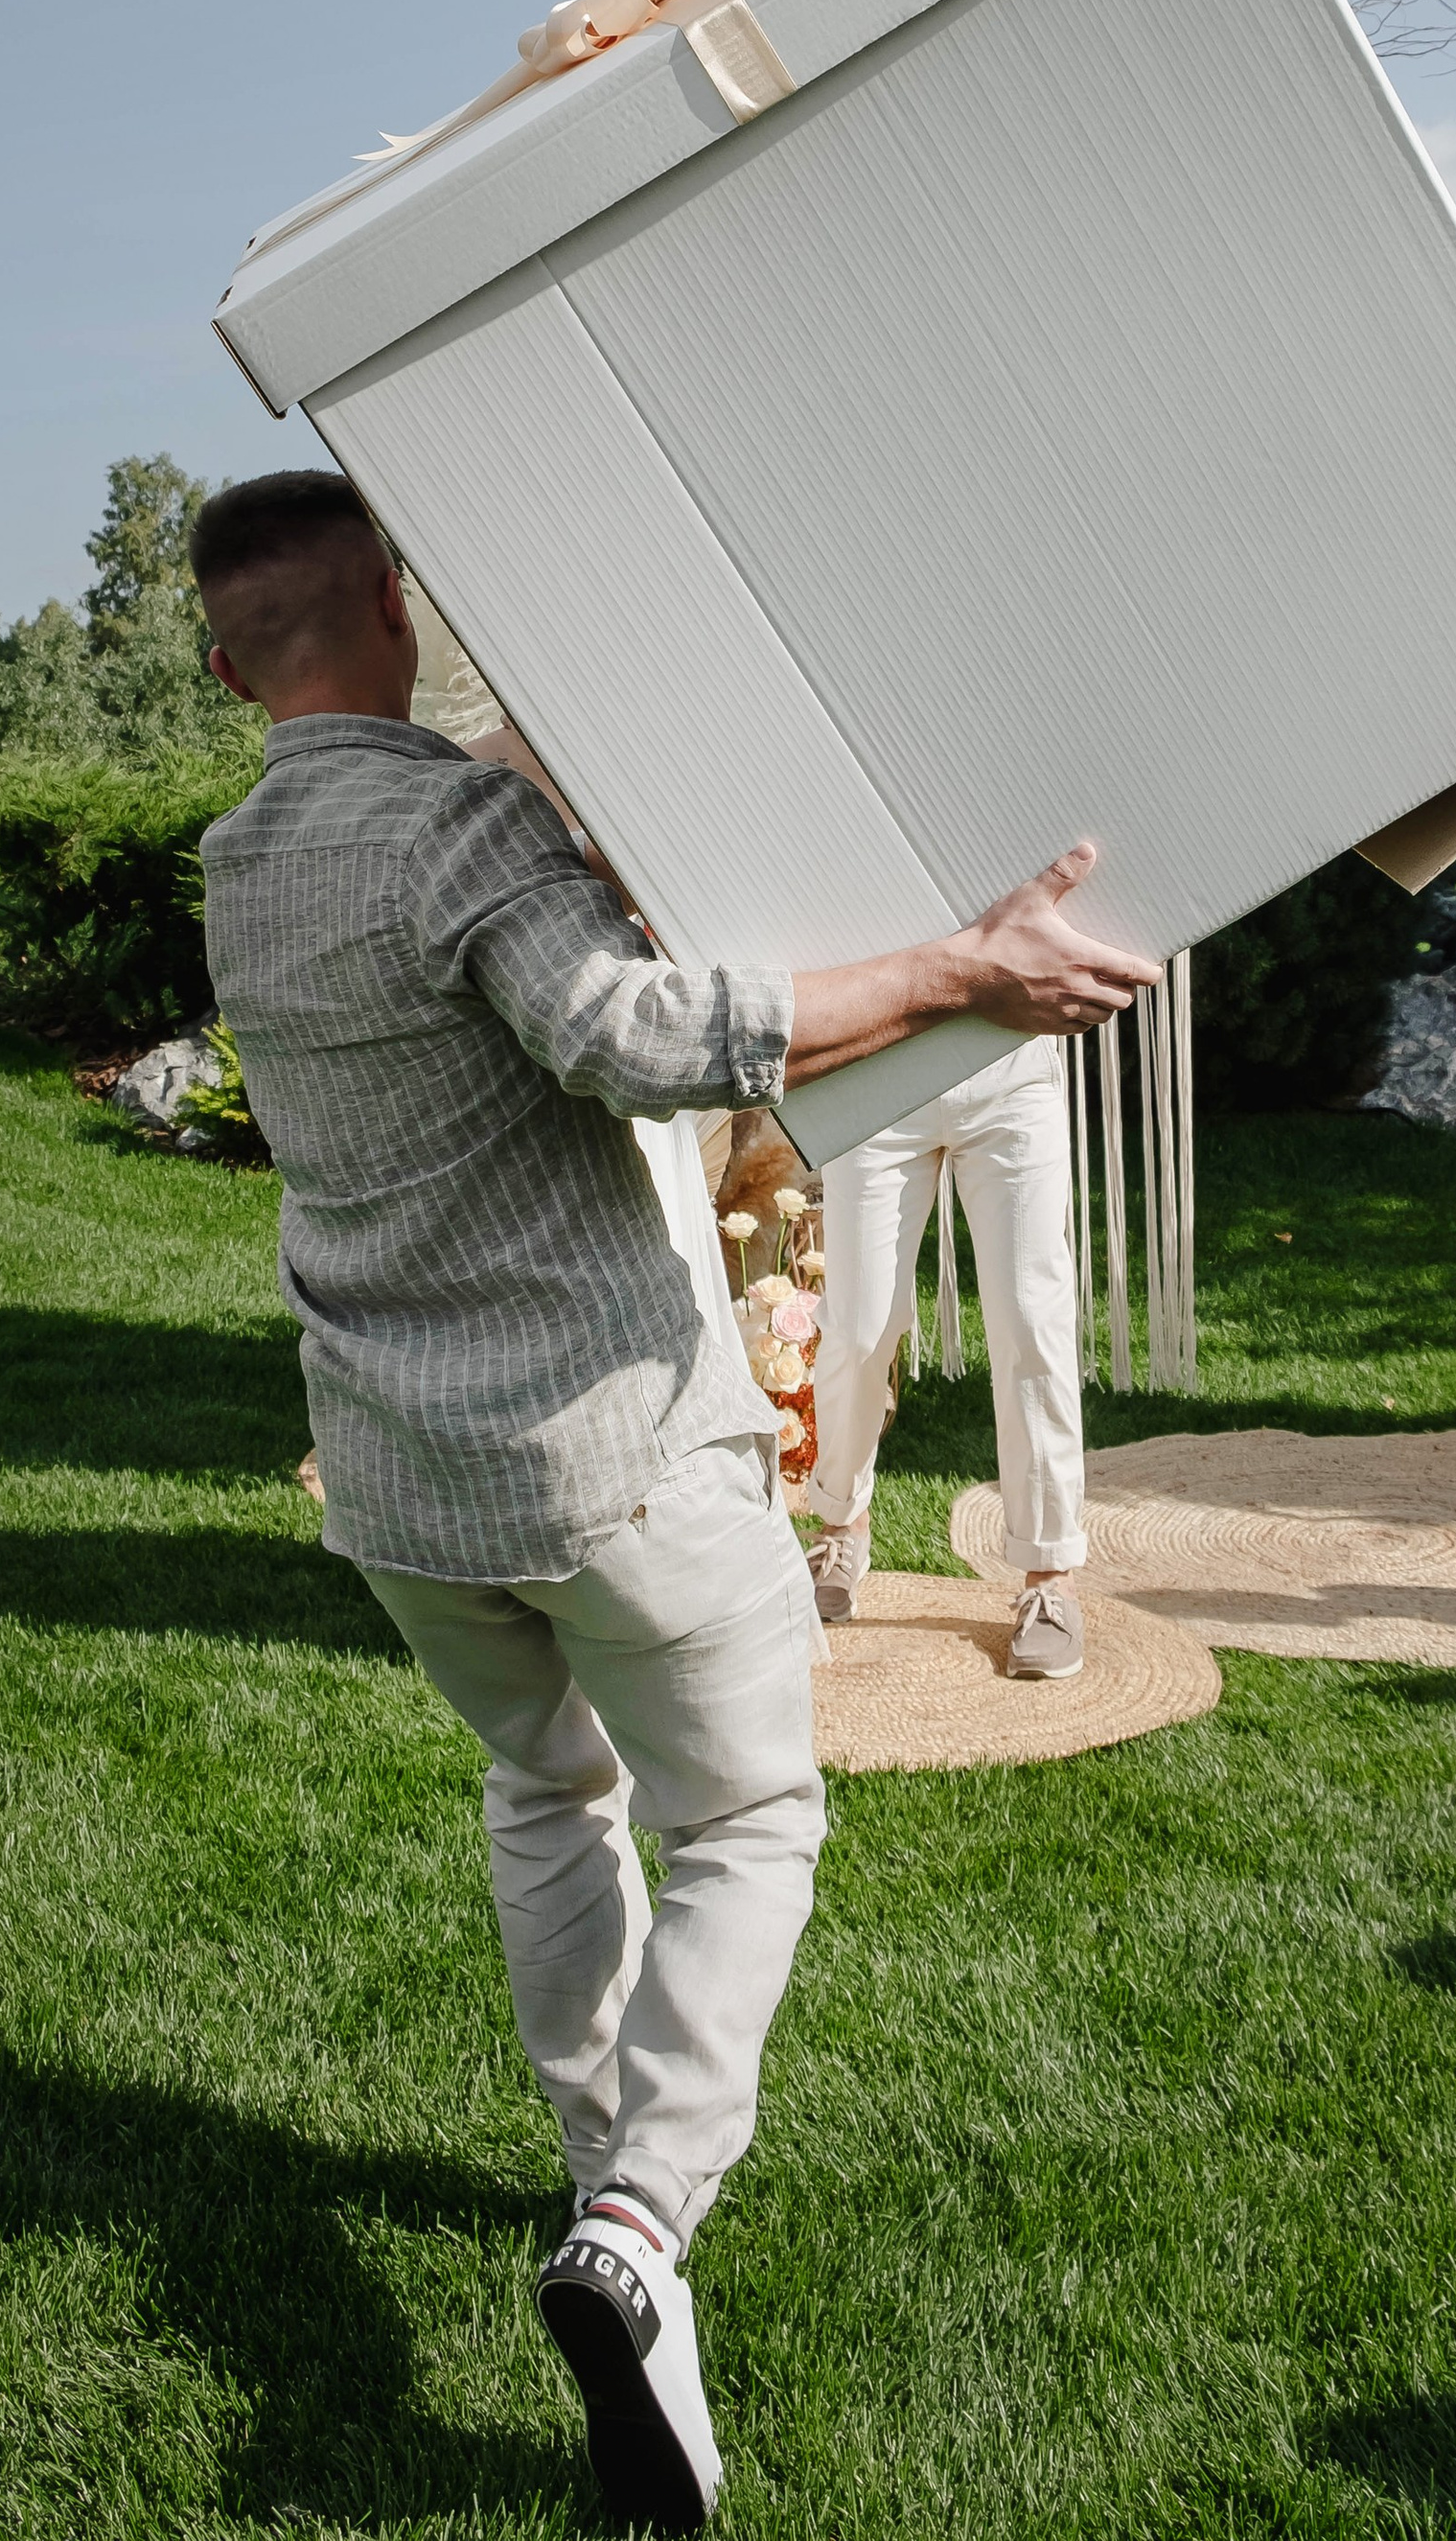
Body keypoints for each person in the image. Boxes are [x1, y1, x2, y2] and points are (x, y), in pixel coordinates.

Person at [189, 470, 1158, 2533]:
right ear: (394, 600)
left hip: (395, 1475)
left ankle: (628, 2273)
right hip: (603, 1449)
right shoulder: (456, 832)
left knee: (550, 1801)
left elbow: (462, 879)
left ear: (216, 660)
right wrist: (950, 967)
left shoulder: (240, 858)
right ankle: (636, 2220)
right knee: (746, 1818)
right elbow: (630, 1034)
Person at [803, 1040, 1086, 1675]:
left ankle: (1050, 1573)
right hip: (878, 1068)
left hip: (1007, 1065)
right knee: (858, 1326)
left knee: (1030, 1321)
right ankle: (841, 1525)